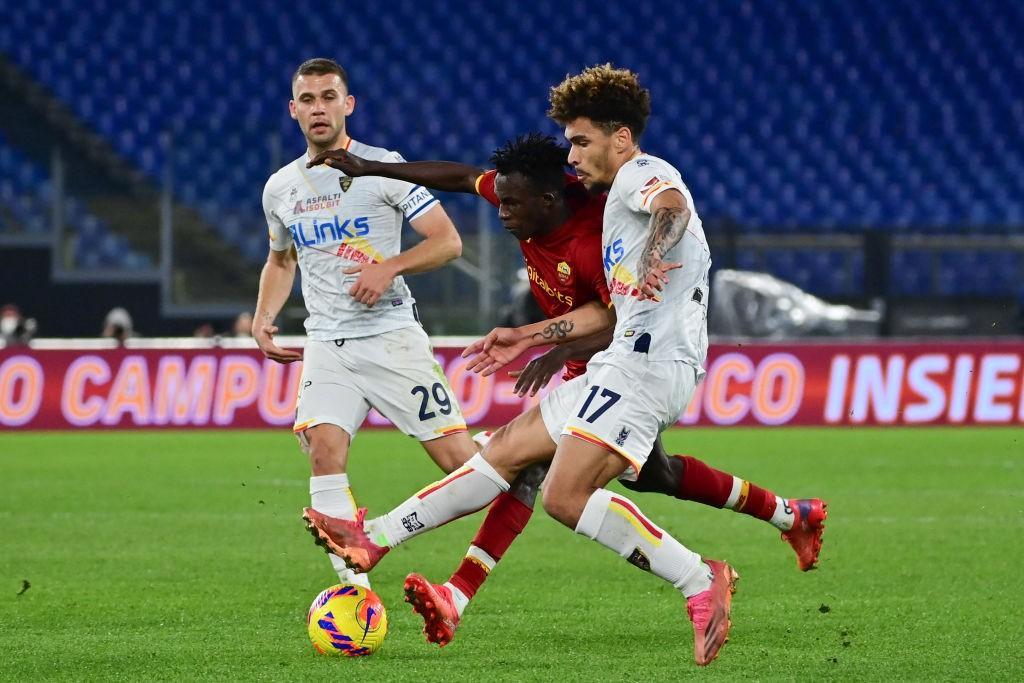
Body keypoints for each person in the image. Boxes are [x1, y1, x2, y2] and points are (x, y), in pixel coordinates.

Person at [304, 66, 826, 666]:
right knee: (504, 453)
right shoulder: (601, 200)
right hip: (621, 363)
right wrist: (528, 336)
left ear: (620, 138)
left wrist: (653, 256)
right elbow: (598, 302)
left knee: (564, 496)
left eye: (581, 141)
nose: (572, 153)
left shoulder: (641, 174)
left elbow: (672, 206)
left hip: (649, 367)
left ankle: (700, 578)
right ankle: (375, 540)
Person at [254, 57, 481, 591]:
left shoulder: (385, 167)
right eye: (307, 100)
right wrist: (264, 317)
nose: (318, 108)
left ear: (348, 104)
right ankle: (354, 594)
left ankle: (505, 450)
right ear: (293, 110)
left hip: (390, 338)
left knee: (466, 470)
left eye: (329, 97)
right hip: (327, 344)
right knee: (323, 452)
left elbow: (448, 242)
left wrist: (390, 267)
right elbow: (281, 260)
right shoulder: (281, 188)